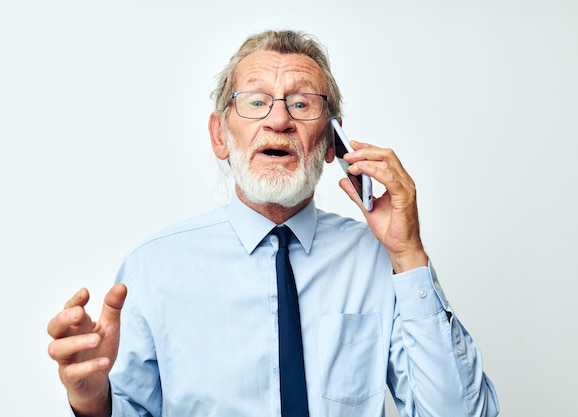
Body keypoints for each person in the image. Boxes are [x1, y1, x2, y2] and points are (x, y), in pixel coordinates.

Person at [47, 30, 499, 417]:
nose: (279, 119)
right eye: (256, 102)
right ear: (220, 136)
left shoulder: (382, 262)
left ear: (330, 142)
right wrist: (93, 401)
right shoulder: (153, 267)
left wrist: (409, 255)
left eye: (302, 104)